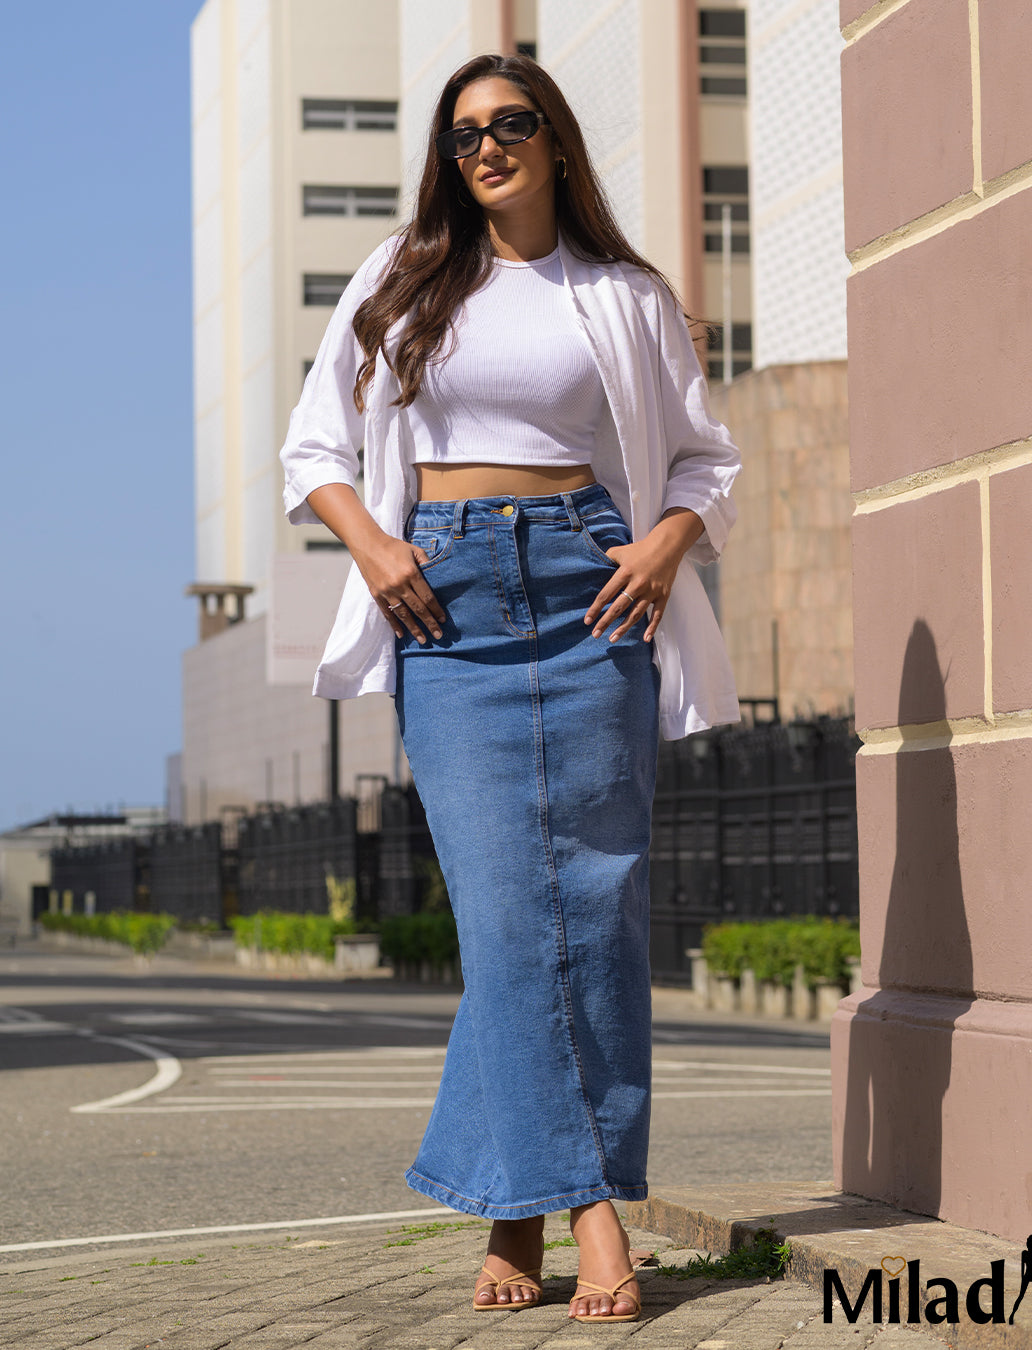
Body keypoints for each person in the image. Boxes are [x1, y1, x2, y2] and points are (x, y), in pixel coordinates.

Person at [280, 52, 741, 1324]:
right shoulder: (401, 276)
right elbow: (314, 445)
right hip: (447, 600)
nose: (485, 147)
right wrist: (375, 552)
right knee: (506, 913)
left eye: (510, 124)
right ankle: (592, 1208)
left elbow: (704, 459)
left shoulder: (624, 294)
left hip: (592, 592)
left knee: (593, 904)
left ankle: (517, 1210)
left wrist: (665, 545)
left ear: (555, 141)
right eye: (463, 133)